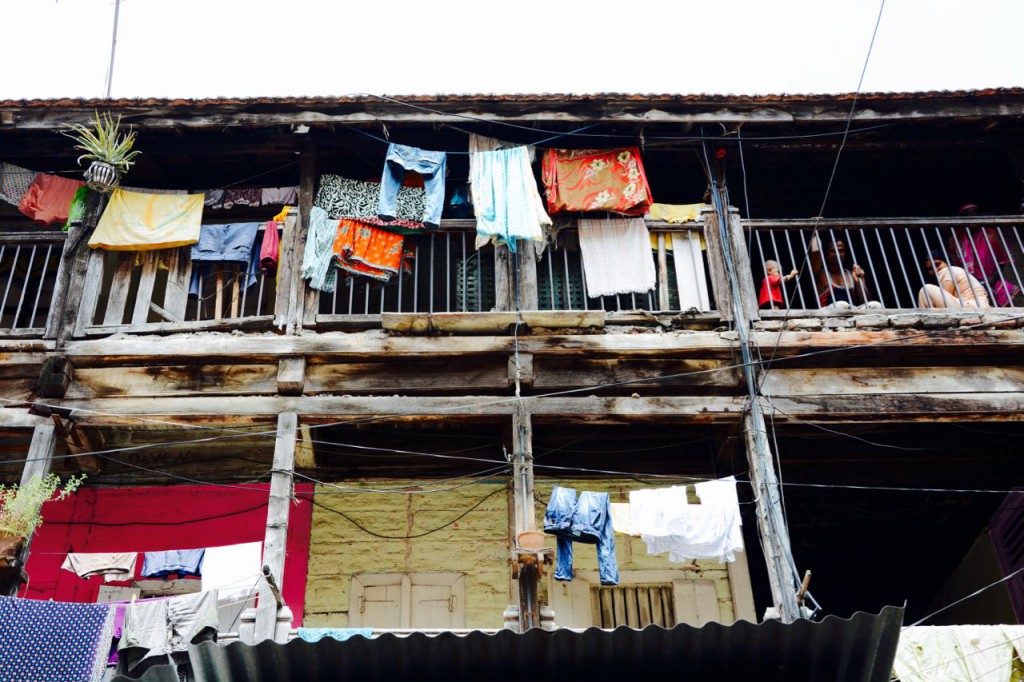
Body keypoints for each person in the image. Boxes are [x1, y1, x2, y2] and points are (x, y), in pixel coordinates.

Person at [947, 203, 1019, 307]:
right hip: (968, 281)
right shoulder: (955, 239)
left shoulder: (991, 234)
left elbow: (1003, 259)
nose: (972, 218)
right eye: (968, 215)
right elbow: (955, 264)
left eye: (975, 214)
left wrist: (992, 279)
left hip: (992, 279)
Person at [809, 234, 875, 309]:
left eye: (841, 251)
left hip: (851, 312)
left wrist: (859, 282)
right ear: (826, 253)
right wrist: (815, 230)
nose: (838, 254)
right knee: (841, 305)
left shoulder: (851, 274)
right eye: (833, 251)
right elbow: (816, 251)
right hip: (829, 313)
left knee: (876, 305)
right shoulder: (820, 274)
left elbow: (867, 301)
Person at [917, 250, 990, 308]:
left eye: (937, 264)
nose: (935, 269)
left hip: (972, 306)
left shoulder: (950, 270)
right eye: (930, 268)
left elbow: (946, 295)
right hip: (971, 306)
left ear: (947, 262)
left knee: (926, 289)